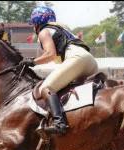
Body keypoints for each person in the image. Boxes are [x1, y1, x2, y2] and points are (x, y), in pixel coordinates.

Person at [20, 6, 98, 136]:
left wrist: (32, 62)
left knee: (45, 88)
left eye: (33, 24)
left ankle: (59, 124)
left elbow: (50, 54)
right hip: (91, 62)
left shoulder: (43, 32)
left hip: (77, 59)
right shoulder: (62, 29)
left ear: (37, 23)